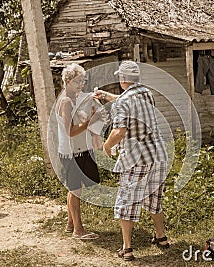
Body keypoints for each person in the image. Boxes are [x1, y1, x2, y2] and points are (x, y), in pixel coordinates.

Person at [94, 61, 169, 261]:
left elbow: (119, 131)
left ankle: (127, 249)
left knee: (127, 202)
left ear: (123, 79)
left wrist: (107, 146)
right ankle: (161, 237)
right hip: (158, 155)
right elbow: (125, 100)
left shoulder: (123, 102)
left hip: (137, 159)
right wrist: (105, 96)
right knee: (154, 198)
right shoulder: (146, 93)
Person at [56, 63, 100, 240]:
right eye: (77, 82)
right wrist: (90, 121)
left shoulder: (73, 97)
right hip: (72, 152)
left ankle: (70, 223)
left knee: (74, 188)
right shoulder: (66, 101)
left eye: (83, 81)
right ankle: (78, 230)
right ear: (67, 81)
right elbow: (70, 131)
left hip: (80, 150)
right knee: (75, 190)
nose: (81, 85)